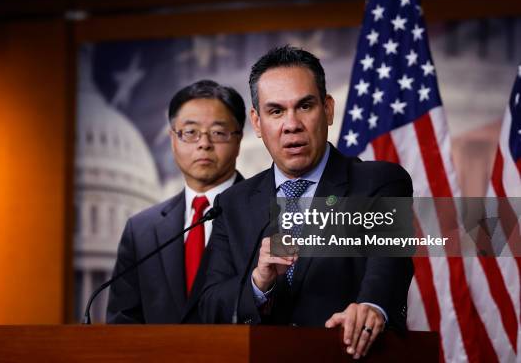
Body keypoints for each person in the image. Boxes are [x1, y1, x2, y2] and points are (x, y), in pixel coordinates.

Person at [199, 46, 414, 359]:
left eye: (305, 106)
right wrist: (259, 284)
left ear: (327, 109)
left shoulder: (378, 183)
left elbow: (390, 264)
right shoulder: (233, 203)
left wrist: (372, 306)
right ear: (257, 123)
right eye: (276, 111)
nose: (292, 124)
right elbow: (209, 306)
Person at [107, 79, 245, 323]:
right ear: (173, 140)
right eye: (190, 132)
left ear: (238, 140)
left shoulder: (272, 214)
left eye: (218, 133)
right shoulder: (141, 230)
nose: (204, 144)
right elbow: (123, 323)